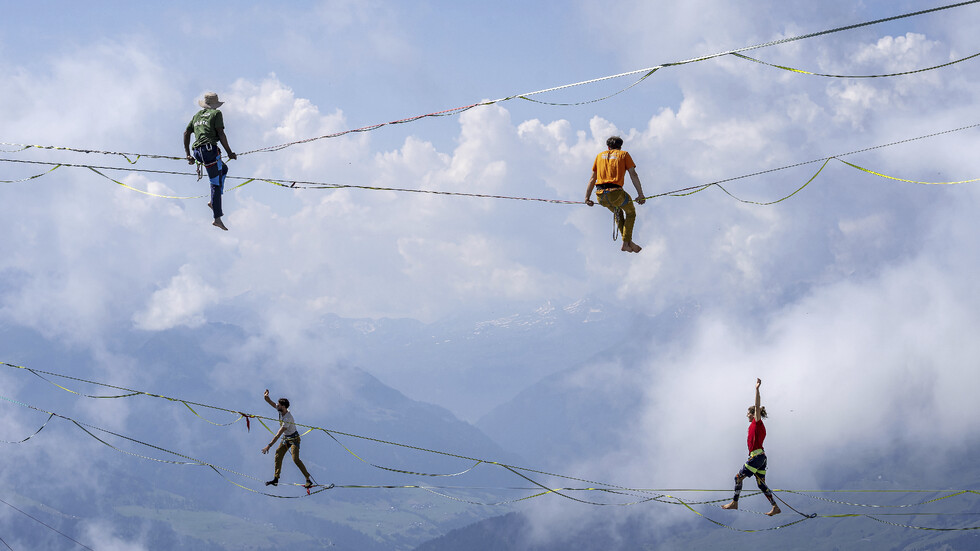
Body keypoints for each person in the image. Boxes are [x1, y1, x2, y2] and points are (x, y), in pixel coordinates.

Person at [722, 378, 781, 516]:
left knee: (738, 478)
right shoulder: (754, 426)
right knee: (761, 485)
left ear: (753, 414)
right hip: (761, 458)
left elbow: (757, 404)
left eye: (748, 413)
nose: (746, 415)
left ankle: (734, 502)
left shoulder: (757, 422)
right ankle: (775, 507)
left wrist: (757, 389)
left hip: (757, 457)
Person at [183, 92, 237, 231]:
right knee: (215, 184)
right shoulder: (216, 114)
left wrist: (188, 155)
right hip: (209, 152)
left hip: (198, 152)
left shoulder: (197, 116)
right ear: (215, 104)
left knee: (223, 169)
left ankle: (214, 201)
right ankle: (217, 218)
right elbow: (221, 133)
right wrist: (229, 152)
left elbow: (186, 133)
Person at [584, 136, 646, 253]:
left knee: (618, 211)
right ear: (620, 146)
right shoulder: (624, 154)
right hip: (615, 194)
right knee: (631, 212)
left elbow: (593, 179)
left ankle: (628, 243)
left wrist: (587, 198)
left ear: (608, 147)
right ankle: (625, 242)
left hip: (600, 196)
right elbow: (633, 175)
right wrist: (640, 194)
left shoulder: (599, 156)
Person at [261, 389, 314, 489]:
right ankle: (276, 479)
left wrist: (268, 446)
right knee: (278, 454)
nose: (277, 406)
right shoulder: (280, 409)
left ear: (284, 407)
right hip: (286, 438)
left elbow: (278, 435)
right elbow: (269, 401)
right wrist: (266, 396)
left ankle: (308, 479)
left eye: (279, 405)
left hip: (294, 439)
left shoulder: (287, 418)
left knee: (295, 459)